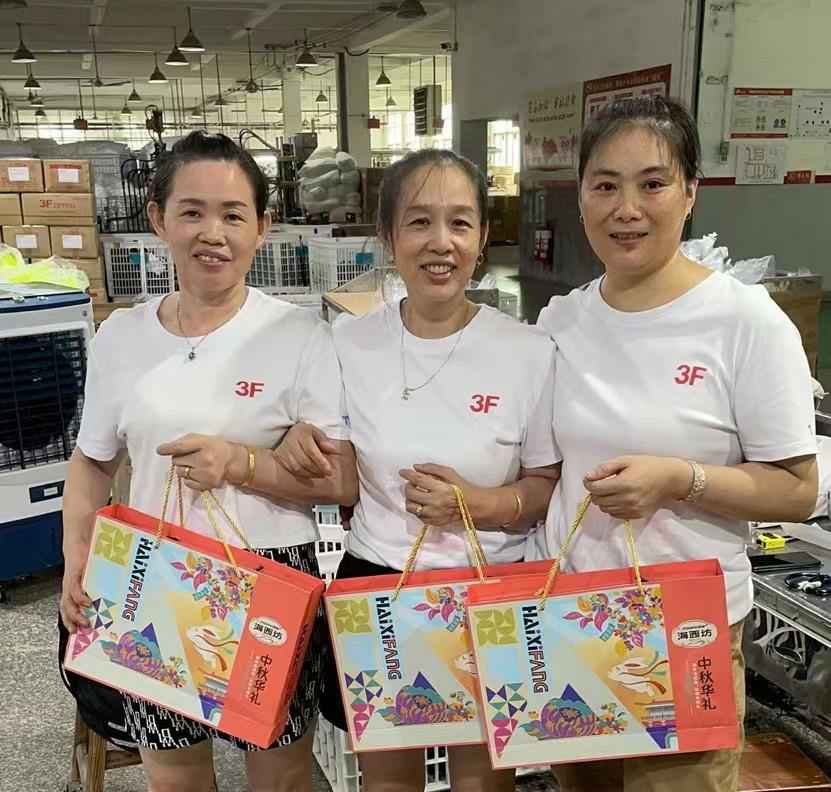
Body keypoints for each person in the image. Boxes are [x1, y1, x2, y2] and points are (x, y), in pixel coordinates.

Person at [530, 96, 818, 792]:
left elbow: (797, 489)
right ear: (581, 198)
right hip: (575, 612)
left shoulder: (744, 322)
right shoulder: (561, 320)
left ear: (690, 192)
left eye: (652, 183)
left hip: (686, 625)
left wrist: (679, 480)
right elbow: (538, 468)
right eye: (605, 185)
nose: (626, 208)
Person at [59, 131, 358, 792]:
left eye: (232, 214)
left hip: (272, 578)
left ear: (262, 228)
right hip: (151, 573)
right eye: (191, 212)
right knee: (174, 775)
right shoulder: (121, 337)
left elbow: (340, 480)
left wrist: (244, 462)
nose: (212, 233)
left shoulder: (300, 336)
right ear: (158, 219)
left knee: (280, 773)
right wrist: (77, 555)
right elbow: (92, 463)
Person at [278, 149, 561, 791]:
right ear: (388, 237)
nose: (441, 242)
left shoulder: (528, 351)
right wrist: (295, 432)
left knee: (484, 782)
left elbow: (546, 485)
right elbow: (326, 451)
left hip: (491, 587)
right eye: (418, 222)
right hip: (380, 585)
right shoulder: (347, 343)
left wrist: (480, 505)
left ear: (482, 238)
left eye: (460, 223)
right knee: (388, 782)